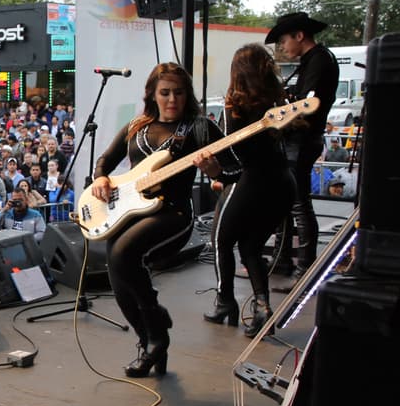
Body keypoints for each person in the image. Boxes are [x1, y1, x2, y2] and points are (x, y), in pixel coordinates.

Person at [91, 63, 225, 378]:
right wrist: (100, 179)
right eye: (165, 92)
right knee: (117, 270)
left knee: (124, 255)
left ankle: (157, 328)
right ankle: (148, 343)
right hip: (131, 210)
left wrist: (216, 173)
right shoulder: (137, 126)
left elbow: (234, 169)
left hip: (173, 213)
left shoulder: (199, 127)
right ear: (152, 93)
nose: (172, 99)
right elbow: (105, 162)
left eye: (179, 92)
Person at [196, 44, 296, 338]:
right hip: (282, 182)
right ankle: (263, 308)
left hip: (253, 182)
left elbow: (236, 162)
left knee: (220, 239)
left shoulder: (234, 107)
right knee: (251, 245)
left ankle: (224, 300)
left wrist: (218, 173)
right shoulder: (278, 103)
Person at [266, 11, 340, 282]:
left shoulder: (319, 60)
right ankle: (282, 261)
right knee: (284, 202)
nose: (283, 47)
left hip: (303, 140)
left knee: (298, 202)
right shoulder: (312, 61)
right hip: (297, 140)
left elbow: (306, 108)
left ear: (299, 35)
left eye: (284, 39)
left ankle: (304, 269)